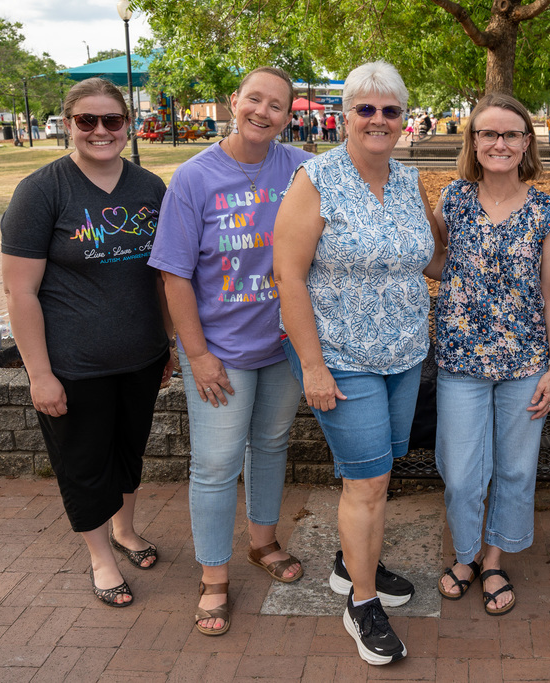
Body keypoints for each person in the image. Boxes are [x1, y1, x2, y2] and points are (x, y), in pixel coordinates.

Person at [272, 60, 443, 666]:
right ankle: (361, 604)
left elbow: (431, 254)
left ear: (403, 120)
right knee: (367, 479)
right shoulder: (315, 179)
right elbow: (288, 277)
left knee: (378, 471)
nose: (377, 120)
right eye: (365, 109)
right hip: (340, 356)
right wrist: (313, 367)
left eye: (389, 110)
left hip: (403, 353)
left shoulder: (408, 179)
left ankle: (353, 562)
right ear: (344, 116)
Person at [149, 67, 310, 637]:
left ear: (290, 115)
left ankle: (262, 542)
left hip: (284, 344)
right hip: (221, 350)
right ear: (234, 101)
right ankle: (213, 577)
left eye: (277, 105)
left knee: (269, 445)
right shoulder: (194, 178)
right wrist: (196, 354)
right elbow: (174, 275)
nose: (263, 112)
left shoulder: (300, 168)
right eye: (254, 100)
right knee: (216, 465)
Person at [1, 77, 172, 609]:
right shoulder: (42, 191)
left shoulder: (150, 188)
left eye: (112, 120)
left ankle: (126, 531)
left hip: (141, 356)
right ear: (69, 124)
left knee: (128, 452)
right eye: (87, 121)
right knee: (84, 463)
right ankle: (101, 557)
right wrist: (40, 374)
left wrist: (165, 343)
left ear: (128, 124)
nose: (101, 131)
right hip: (74, 364)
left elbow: (165, 275)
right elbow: (19, 290)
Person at [430, 93, 550, 616]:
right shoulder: (455, 199)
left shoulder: (546, 212)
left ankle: (492, 559)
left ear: (526, 142)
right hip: (461, 360)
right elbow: (438, 259)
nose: (499, 143)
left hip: (525, 361)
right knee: (462, 471)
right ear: (474, 141)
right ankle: (463, 553)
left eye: (511, 134)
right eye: (488, 133)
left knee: (515, 470)